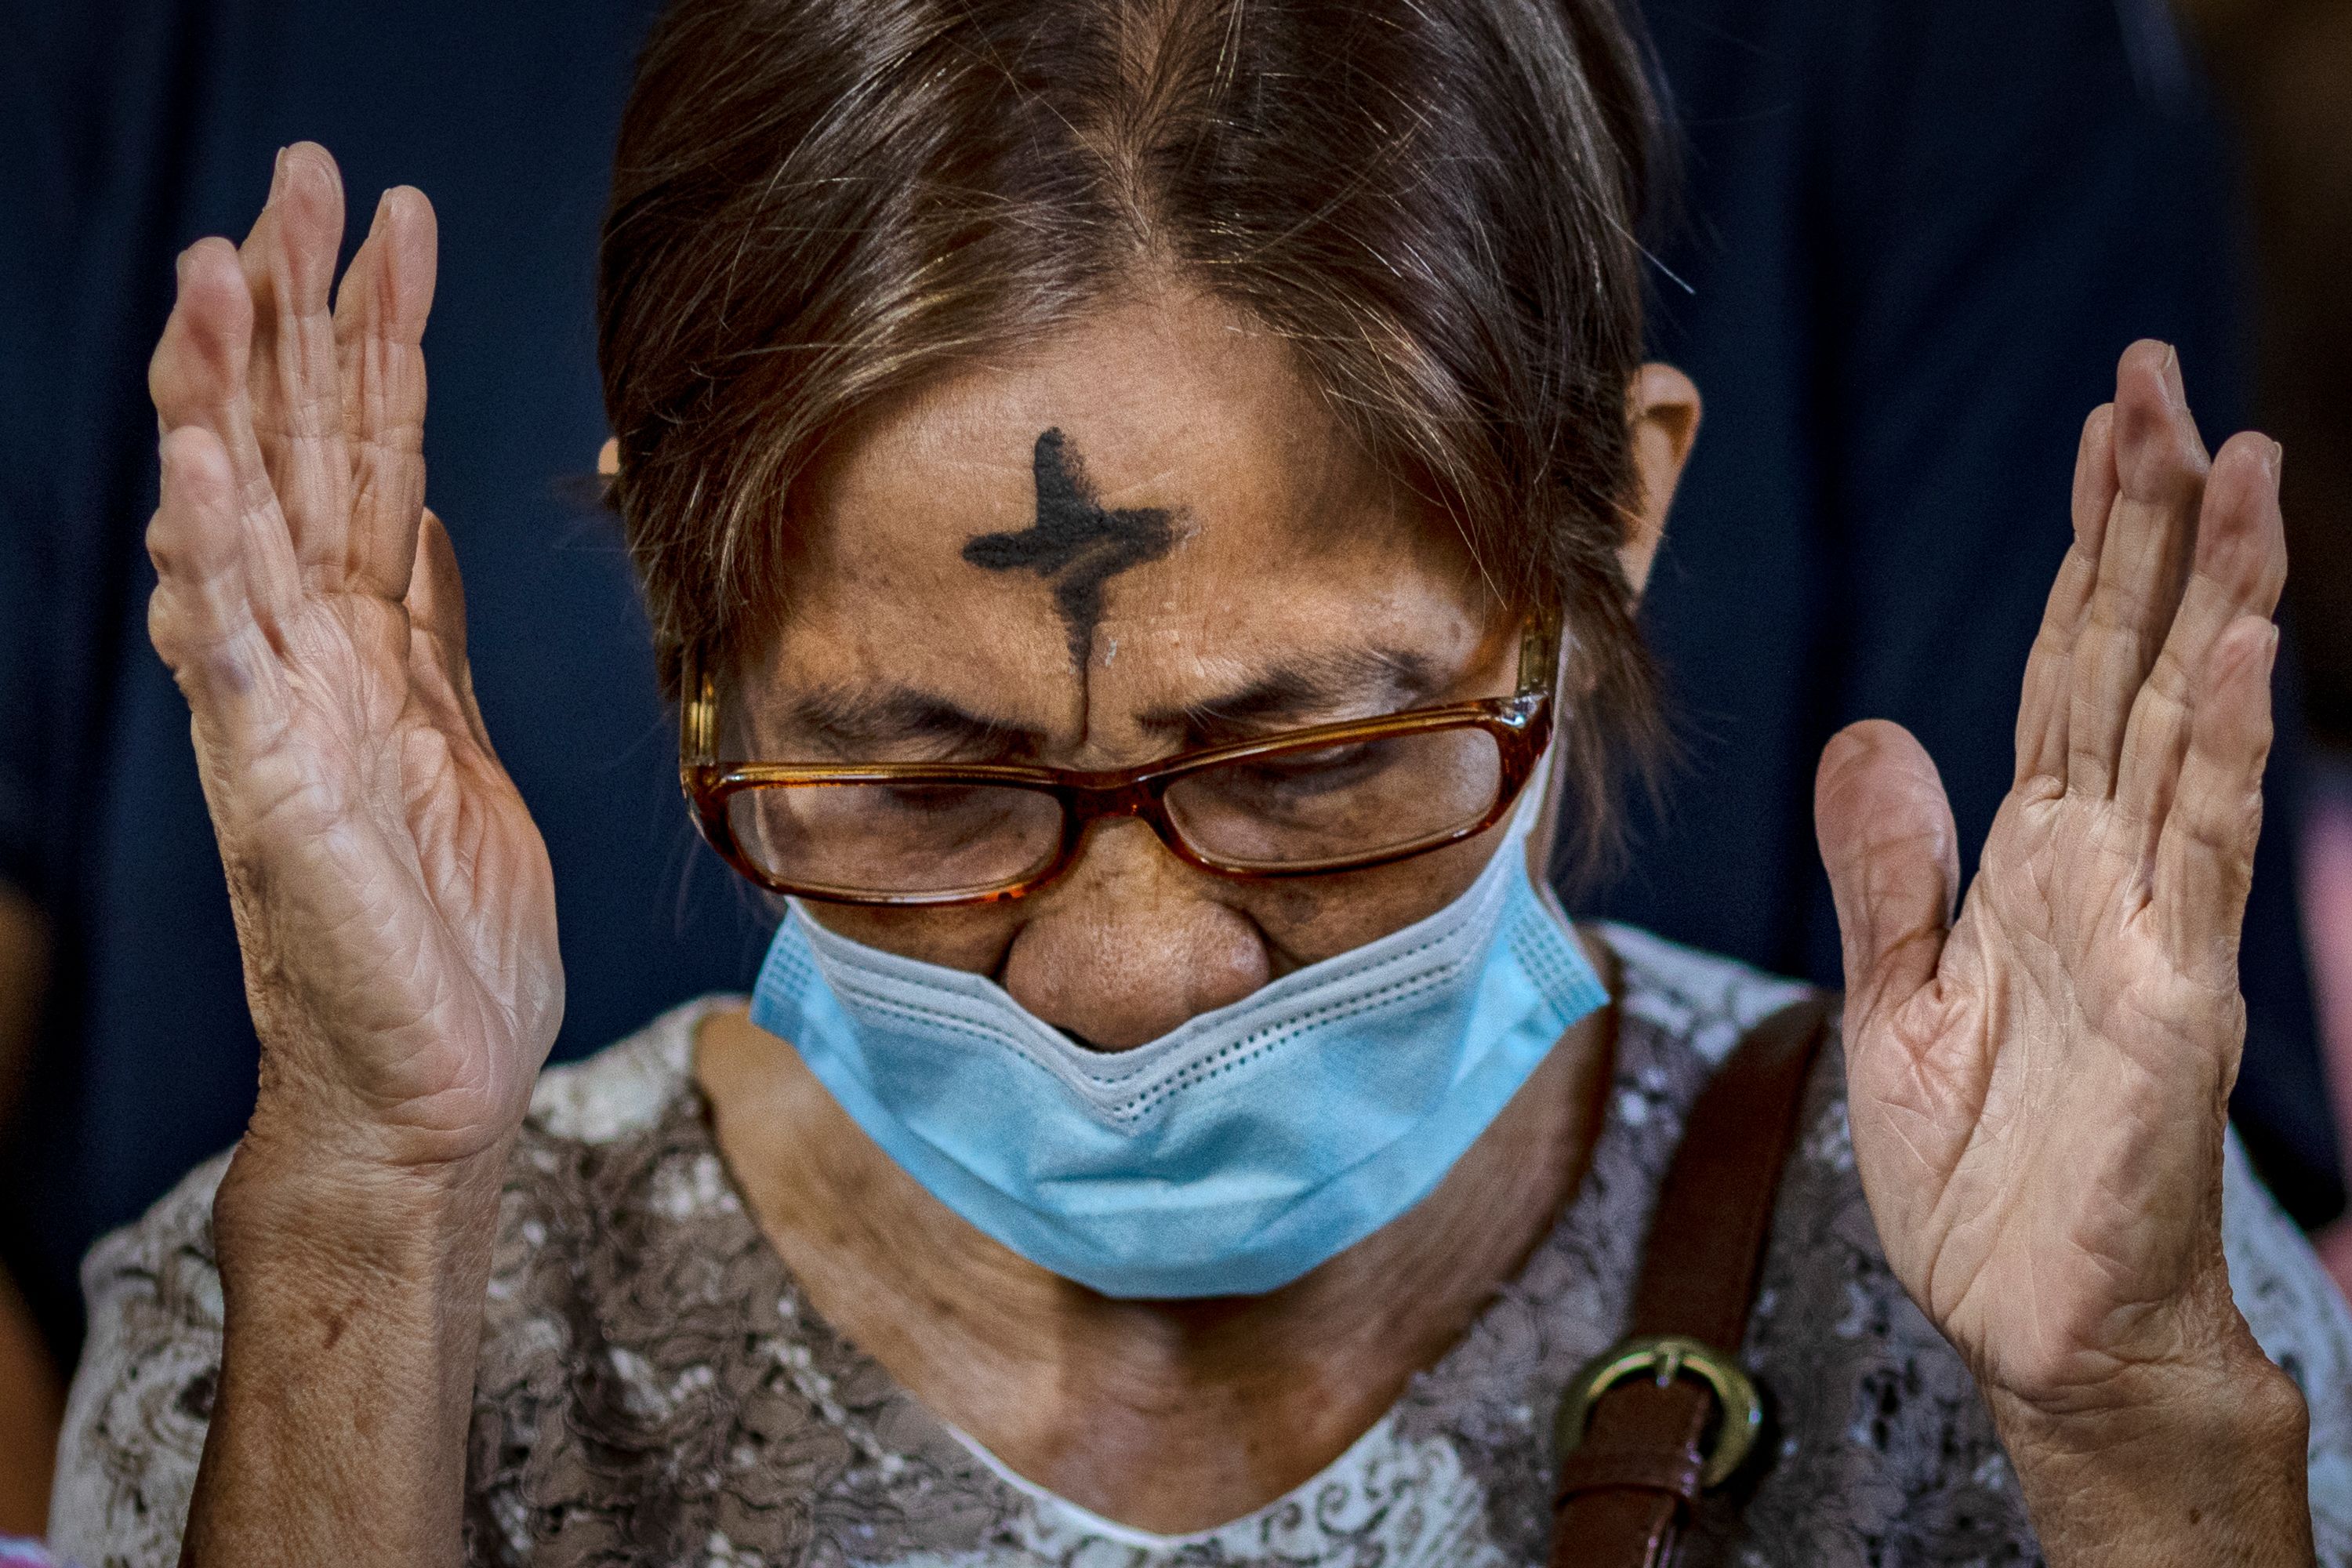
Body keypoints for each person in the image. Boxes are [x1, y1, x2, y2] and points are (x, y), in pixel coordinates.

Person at [46, 0, 2352, 1563]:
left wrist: (2137, 1420)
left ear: (1610, 529)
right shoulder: (340, 1310)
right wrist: (366, 1186)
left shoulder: (2038, 1280)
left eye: (1318, 763)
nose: (1130, 980)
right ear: (685, 614)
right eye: (930, 791)